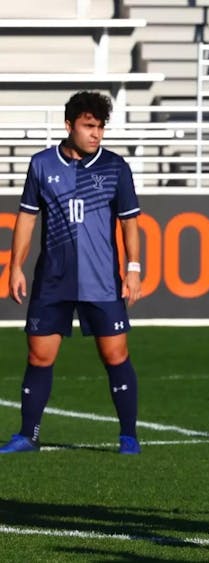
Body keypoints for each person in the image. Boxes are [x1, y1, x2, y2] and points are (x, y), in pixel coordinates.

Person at [1, 91, 143, 456]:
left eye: (100, 127)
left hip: (102, 281)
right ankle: (28, 435)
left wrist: (133, 268)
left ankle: (128, 436)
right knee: (39, 356)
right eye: (89, 126)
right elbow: (27, 218)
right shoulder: (42, 165)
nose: (97, 134)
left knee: (115, 355)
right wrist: (15, 266)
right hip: (53, 280)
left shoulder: (115, 167)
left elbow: (129, 224)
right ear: (69, 125)